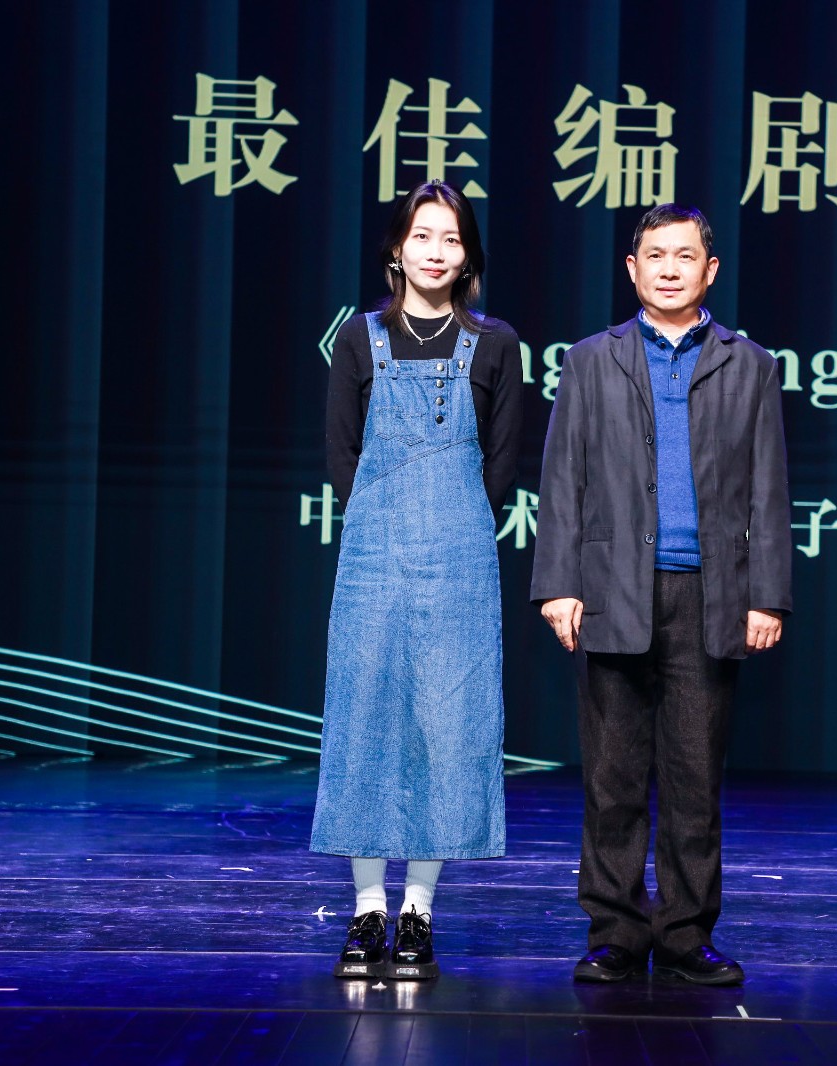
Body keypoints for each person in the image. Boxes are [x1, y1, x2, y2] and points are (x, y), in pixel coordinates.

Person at [531, 203, 792, 986]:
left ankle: (685, 933)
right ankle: (615, 930)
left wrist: (767, 596)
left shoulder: (750, 364)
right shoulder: (591, 360)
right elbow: (562, 480)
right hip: (612, 591)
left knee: (692, 779)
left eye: (685, 256)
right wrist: (558, 585)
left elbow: (769, 489)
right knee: (612, 779)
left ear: (710, 271)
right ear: (632, 268)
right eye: (655, 254)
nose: (670, 268)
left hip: (712, 595)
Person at [311, 180, 521, 981]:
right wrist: (385, 516)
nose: (437, 252)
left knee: (447, 724)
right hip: (374, 552)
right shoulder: (359, 337)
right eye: (423, 236)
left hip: (460, 554)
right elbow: (342, 452)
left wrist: (450, 520)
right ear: (396, 249)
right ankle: (367, 908)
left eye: (452, 239)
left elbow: (501, 462)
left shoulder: (494, 343)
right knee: (364, 716)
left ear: (468, 257)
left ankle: (418, 913)